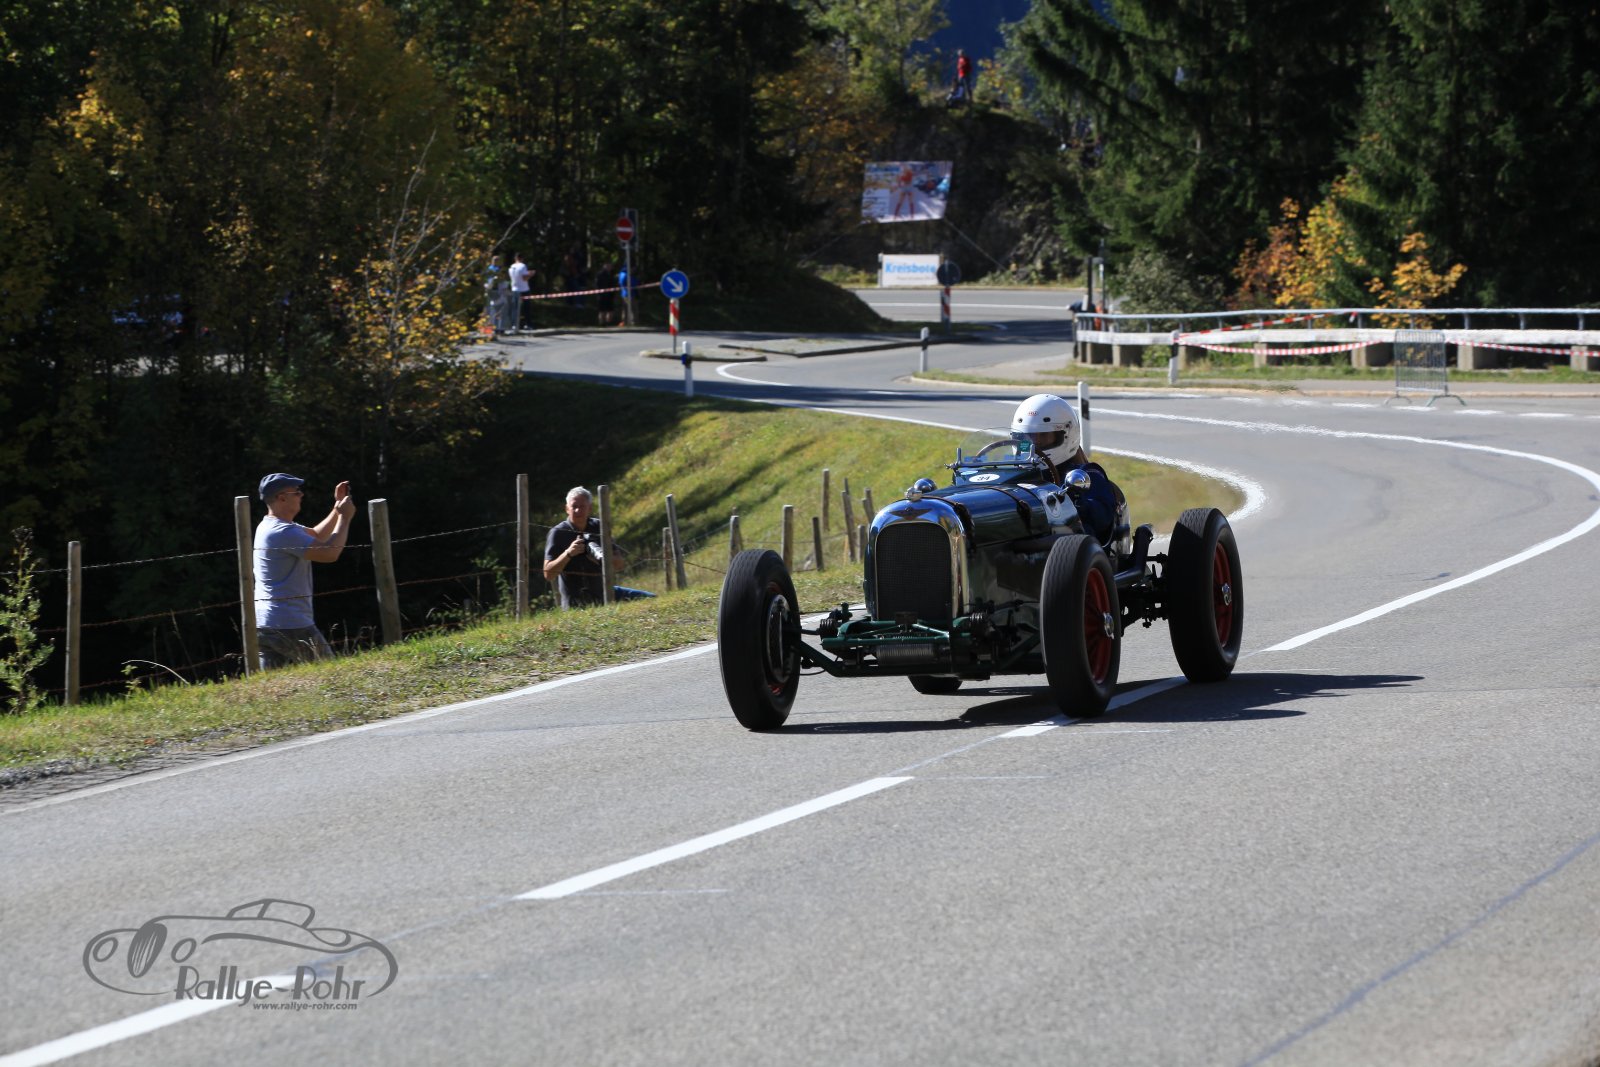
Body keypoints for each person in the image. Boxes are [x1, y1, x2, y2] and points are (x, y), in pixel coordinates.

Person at [254, 473, 356, 670]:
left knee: (273, 686)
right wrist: (345, 517)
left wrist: (337, 508)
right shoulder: (282, 531)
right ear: (282, 498)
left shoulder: (270, 526)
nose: (301, 495)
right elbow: (329, 553)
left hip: (265, 622)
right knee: (331, 675)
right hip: (290, 623)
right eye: (296, 492)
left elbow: (317, 535)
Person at [1011, 393, 1122, 543]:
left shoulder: (1086, 475)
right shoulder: (1014, 474)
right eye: (1028, 437)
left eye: (1043, 436)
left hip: (1072, 548)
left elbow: (1101, 519)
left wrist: (1076, 501)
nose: (1034, 444)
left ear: (1067, 435)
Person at [543, 487, 653, 609]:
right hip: (576, 603)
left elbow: (620, 565)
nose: (578, 510)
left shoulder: (598, 526)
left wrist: (602, 558)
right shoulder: (557, 533)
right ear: (567, 509)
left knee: (652, 599)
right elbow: (548, 574)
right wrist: (568, 553)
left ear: (590, 508)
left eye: (582, 506)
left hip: (605, 593)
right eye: (574, 506)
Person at [508, 252, 535, 332]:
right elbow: (524, 278)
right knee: (526, 308)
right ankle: (528, 324)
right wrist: (531, 274)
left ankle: (514, 325)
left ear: (515, 258)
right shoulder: (523, 266)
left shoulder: (512, 266)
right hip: (524, 289)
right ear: (522, 258)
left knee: (515, 308)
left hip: (514, 289)